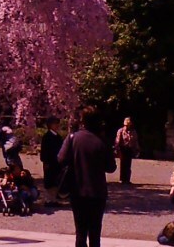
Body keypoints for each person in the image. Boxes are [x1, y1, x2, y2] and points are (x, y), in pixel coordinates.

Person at [58, 106, 116, 247]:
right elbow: (111, 167)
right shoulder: (102, 141)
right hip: (97, 191)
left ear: (82, 120)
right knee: (95, 233)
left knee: (81, 231)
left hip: (77, 190)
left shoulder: (73, 138)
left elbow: (60, 159)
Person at [40, 116, 63, 206]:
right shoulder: (47, 137)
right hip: (49, 162)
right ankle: (48, 200)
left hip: (56, 162)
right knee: (49, 181)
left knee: (55, 181)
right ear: (50, 125)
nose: (57, 125)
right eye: (55, 123)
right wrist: (45, 161)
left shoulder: (58, 137)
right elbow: (44, 151)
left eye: (57, 123)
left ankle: (54, 199)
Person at [114, 117, 139, 184]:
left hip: (129, 149)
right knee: (123, 163)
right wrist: (116, 148)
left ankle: (127, 179)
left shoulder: (133, 132)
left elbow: (135, 141)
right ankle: (122, 178)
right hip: (122, 149)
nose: (127, 127)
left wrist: (137, 148)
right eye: (126, 125)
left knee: (128, 164)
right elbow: (117, 140)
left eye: (128, 125)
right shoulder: (121, 131)